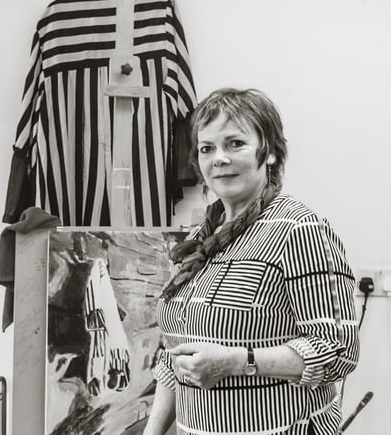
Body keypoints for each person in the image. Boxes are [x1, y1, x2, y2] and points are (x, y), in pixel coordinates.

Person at [143, 88, 360, 435]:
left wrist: (237, 362)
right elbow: (174, 356)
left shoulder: (301, 230)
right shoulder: (198, 240)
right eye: (207, 148)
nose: (219, 158)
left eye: (235, 144)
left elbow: (338, 351)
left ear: (270, 152)